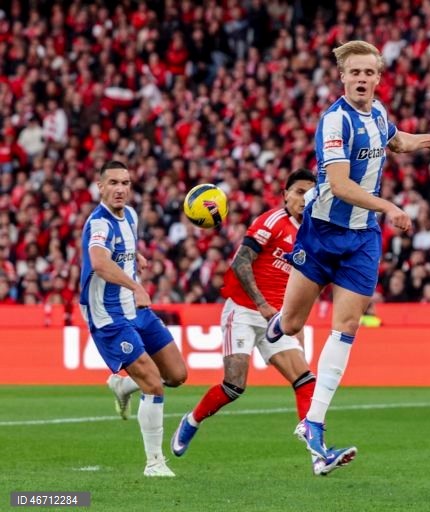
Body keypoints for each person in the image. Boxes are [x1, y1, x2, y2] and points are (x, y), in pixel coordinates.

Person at [264, 40, 430, 467]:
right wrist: (387, 206)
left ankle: (314, 424)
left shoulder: (379, 112)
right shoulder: (334, 122)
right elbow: (342, 184)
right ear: (343, 78)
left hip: (362, 238)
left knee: (346, 326)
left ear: (379, 78)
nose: (362, 79)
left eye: (369, 73)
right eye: (356, 73)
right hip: (321, 233)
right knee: (292, 322)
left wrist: (427, 140)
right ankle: (278, 323)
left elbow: (396, 141)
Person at [169, 169, 353, 475]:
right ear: (285, 194)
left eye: (309, 193)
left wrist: (295, 320)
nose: (303, 199)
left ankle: (318, 456)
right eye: (297, 192)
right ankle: (191, 421)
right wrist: (262, 304)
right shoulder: (272, 221)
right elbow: (240, 262)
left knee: (305, 379)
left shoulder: (317, 233)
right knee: (234, 386)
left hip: (279, 318)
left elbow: (314, 281)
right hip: (243, 310)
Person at [80, 160, 187, 477]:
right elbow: (99, 262)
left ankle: (123, 385)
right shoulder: (98, 223)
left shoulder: (131, 215)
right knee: (154, 384)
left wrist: (136, 257)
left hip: (138, 311)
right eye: (113, 183)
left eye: (125, 183)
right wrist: (136, 285)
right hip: (109, 318)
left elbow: (123, 248)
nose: (120, 189)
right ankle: (154, 463)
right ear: (100, 187)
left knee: (177, 375)